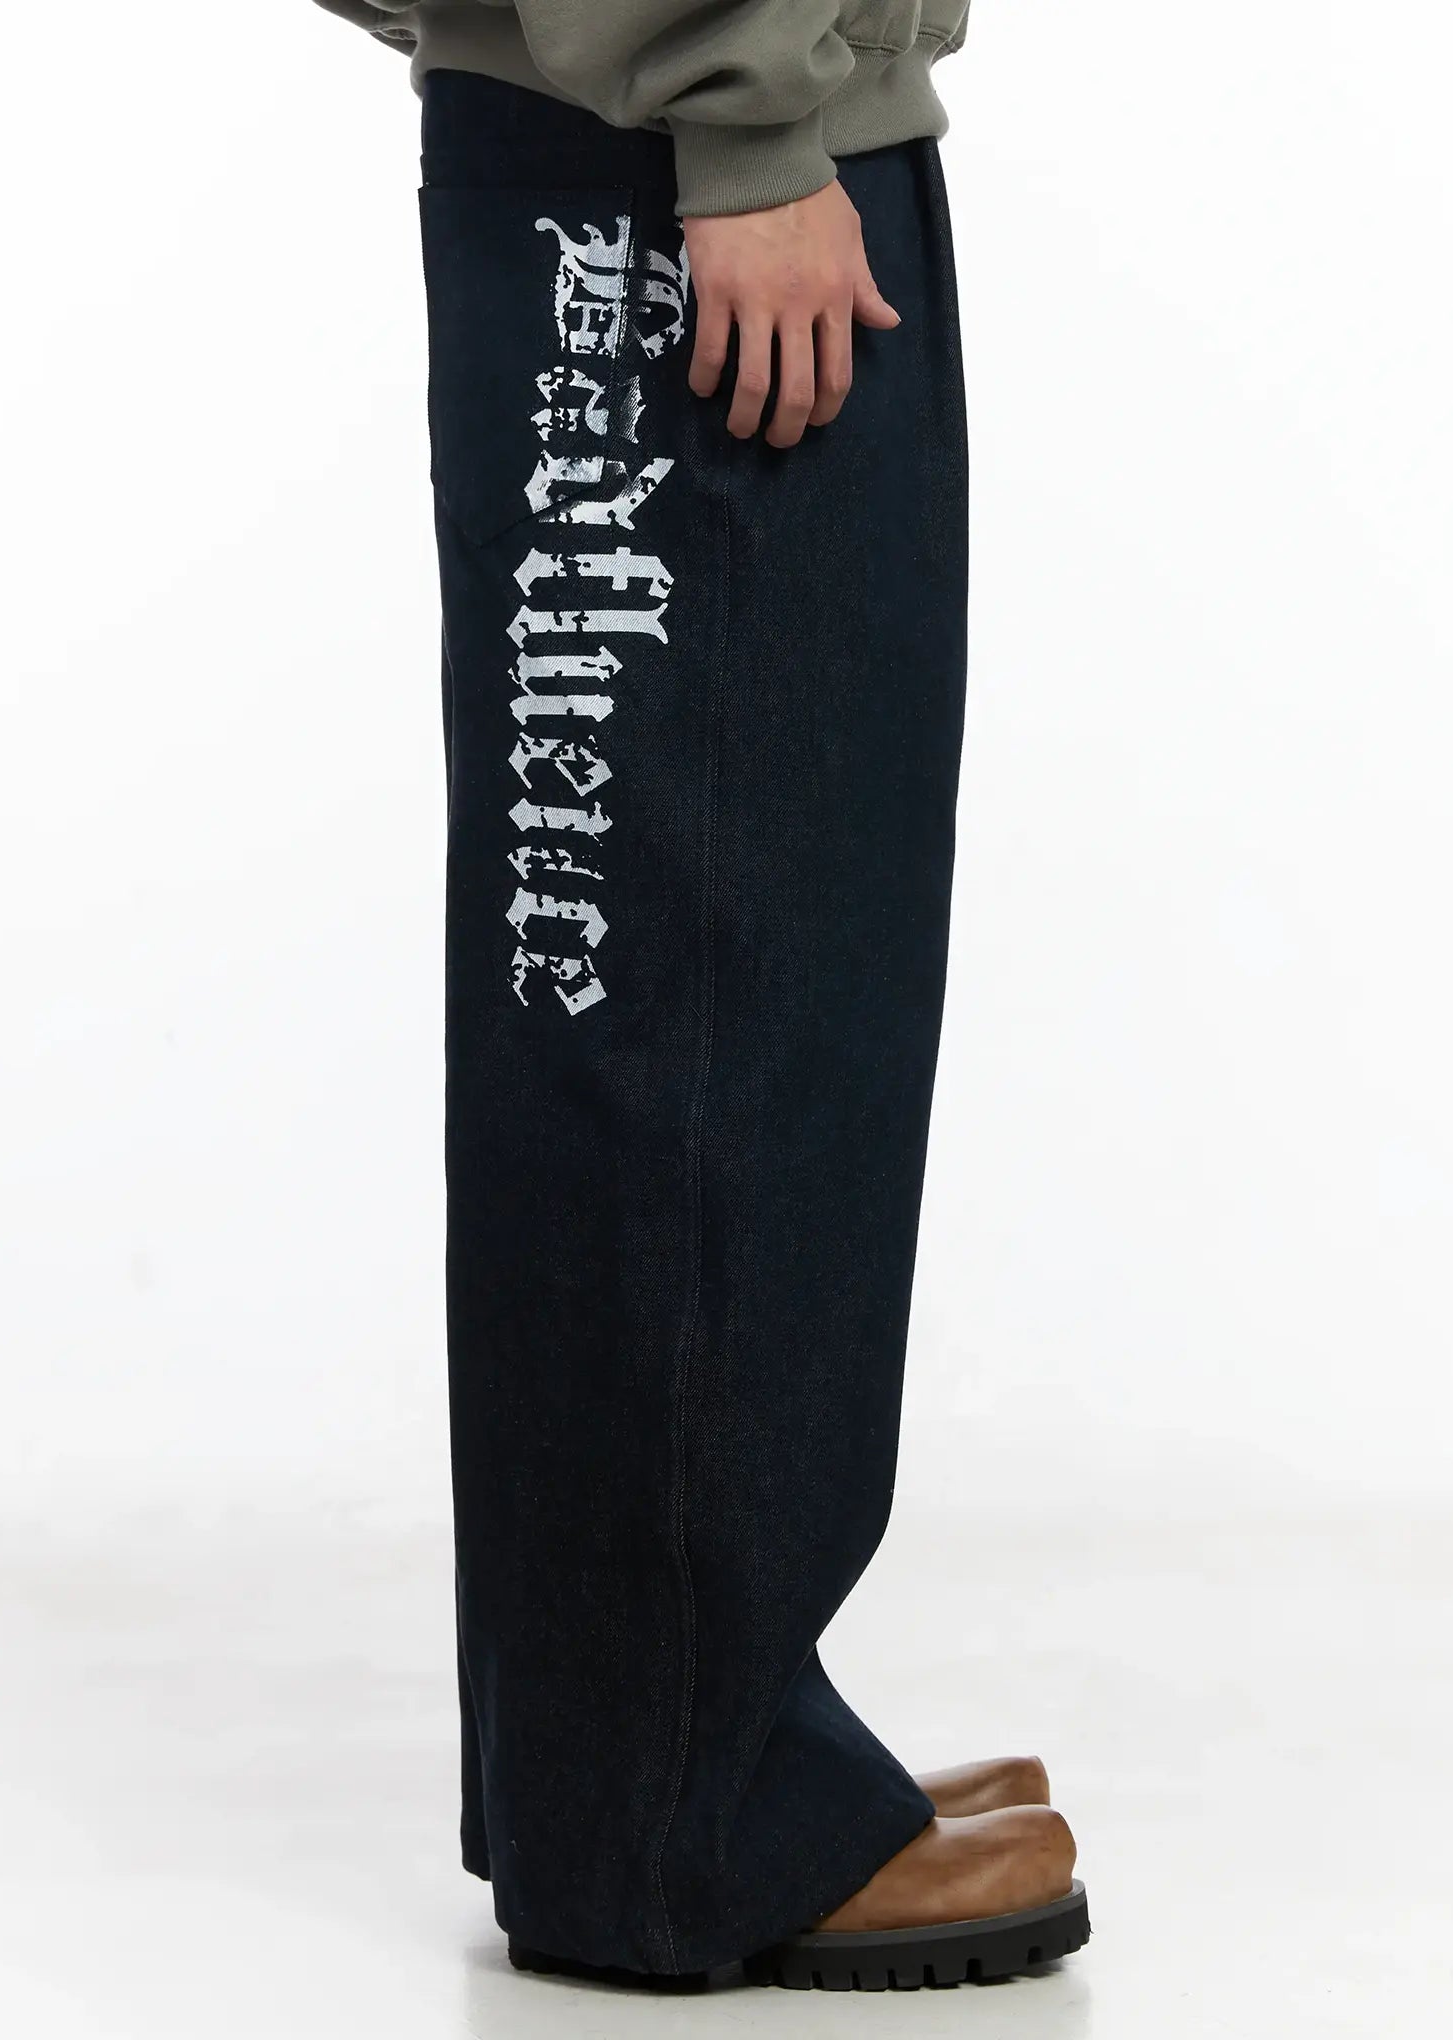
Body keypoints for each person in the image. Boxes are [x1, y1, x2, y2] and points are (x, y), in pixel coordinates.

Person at [312, 0, 1088, 1991]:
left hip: (666, 137)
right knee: (698, 996)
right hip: (685, 165)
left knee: (709, 970)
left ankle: (640, 1765)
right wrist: (734, 113)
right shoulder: (720, 137)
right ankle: (682, 1819)